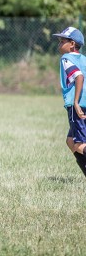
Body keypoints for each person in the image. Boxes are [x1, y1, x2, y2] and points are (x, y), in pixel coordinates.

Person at [53, 26, 86, 178]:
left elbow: (79, 76)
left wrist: (76, 102)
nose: (59, 44)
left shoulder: (66, 59)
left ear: (72, 44)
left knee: (79, 144)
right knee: (70, 141)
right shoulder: (84, 59)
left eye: (62, 41)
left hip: (77, 106)